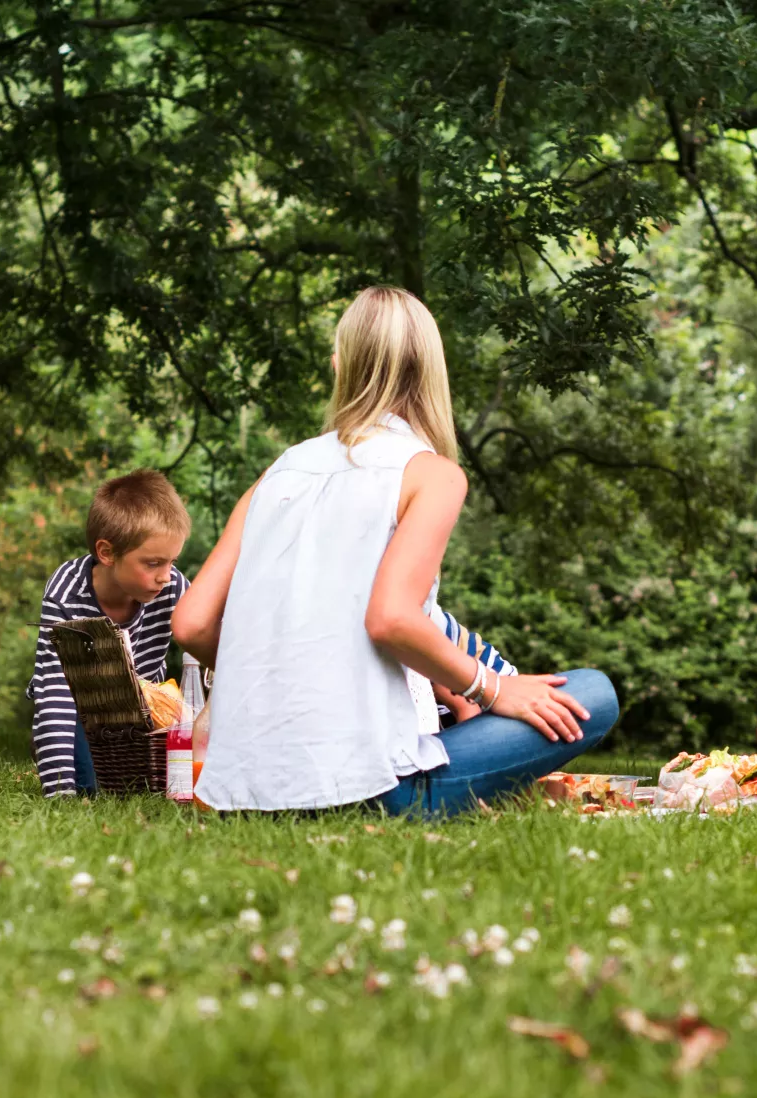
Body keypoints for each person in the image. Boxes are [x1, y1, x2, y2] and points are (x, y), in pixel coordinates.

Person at [172, 286, 620, 817]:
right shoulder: (432, 475)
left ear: (340, 366)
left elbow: (192, 623)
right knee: (594, 693)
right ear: (431, 371)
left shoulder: (278, 473)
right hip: (368, 789)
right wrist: (493, 689)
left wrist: (276, 681)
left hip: (241, 792)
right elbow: (391, 619)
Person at [26, 470, 192, 797]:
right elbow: (55, 694)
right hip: (83, 711)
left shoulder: (172, 586)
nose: (165, 575)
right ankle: (59, 756)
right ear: (107, 553)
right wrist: (60, 788)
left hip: (143, 711)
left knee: (141, 788)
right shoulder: (66, 595)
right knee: (87, 789)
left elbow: (210, 640)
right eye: (153, 563)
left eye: (171, 561)